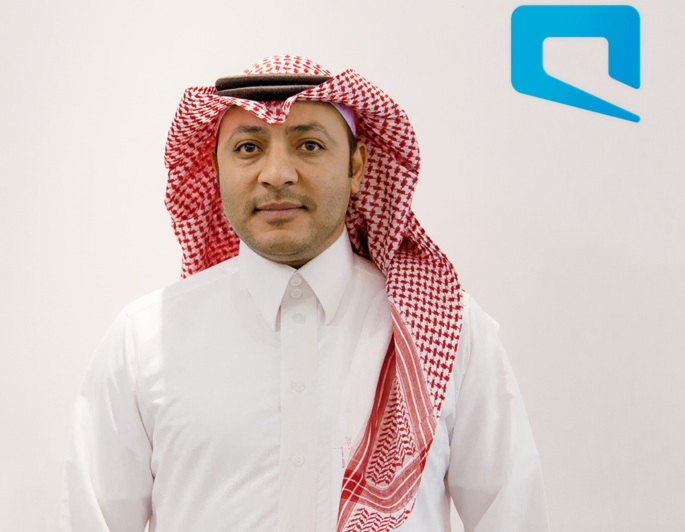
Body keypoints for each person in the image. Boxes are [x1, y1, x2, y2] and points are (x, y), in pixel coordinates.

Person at [60, 55, 549, 532]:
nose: (277, 173)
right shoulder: (143, 340)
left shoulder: (450, 329)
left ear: (356, 166)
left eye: (309, 145)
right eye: (248, 148)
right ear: (216, 168)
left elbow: (512, 515)